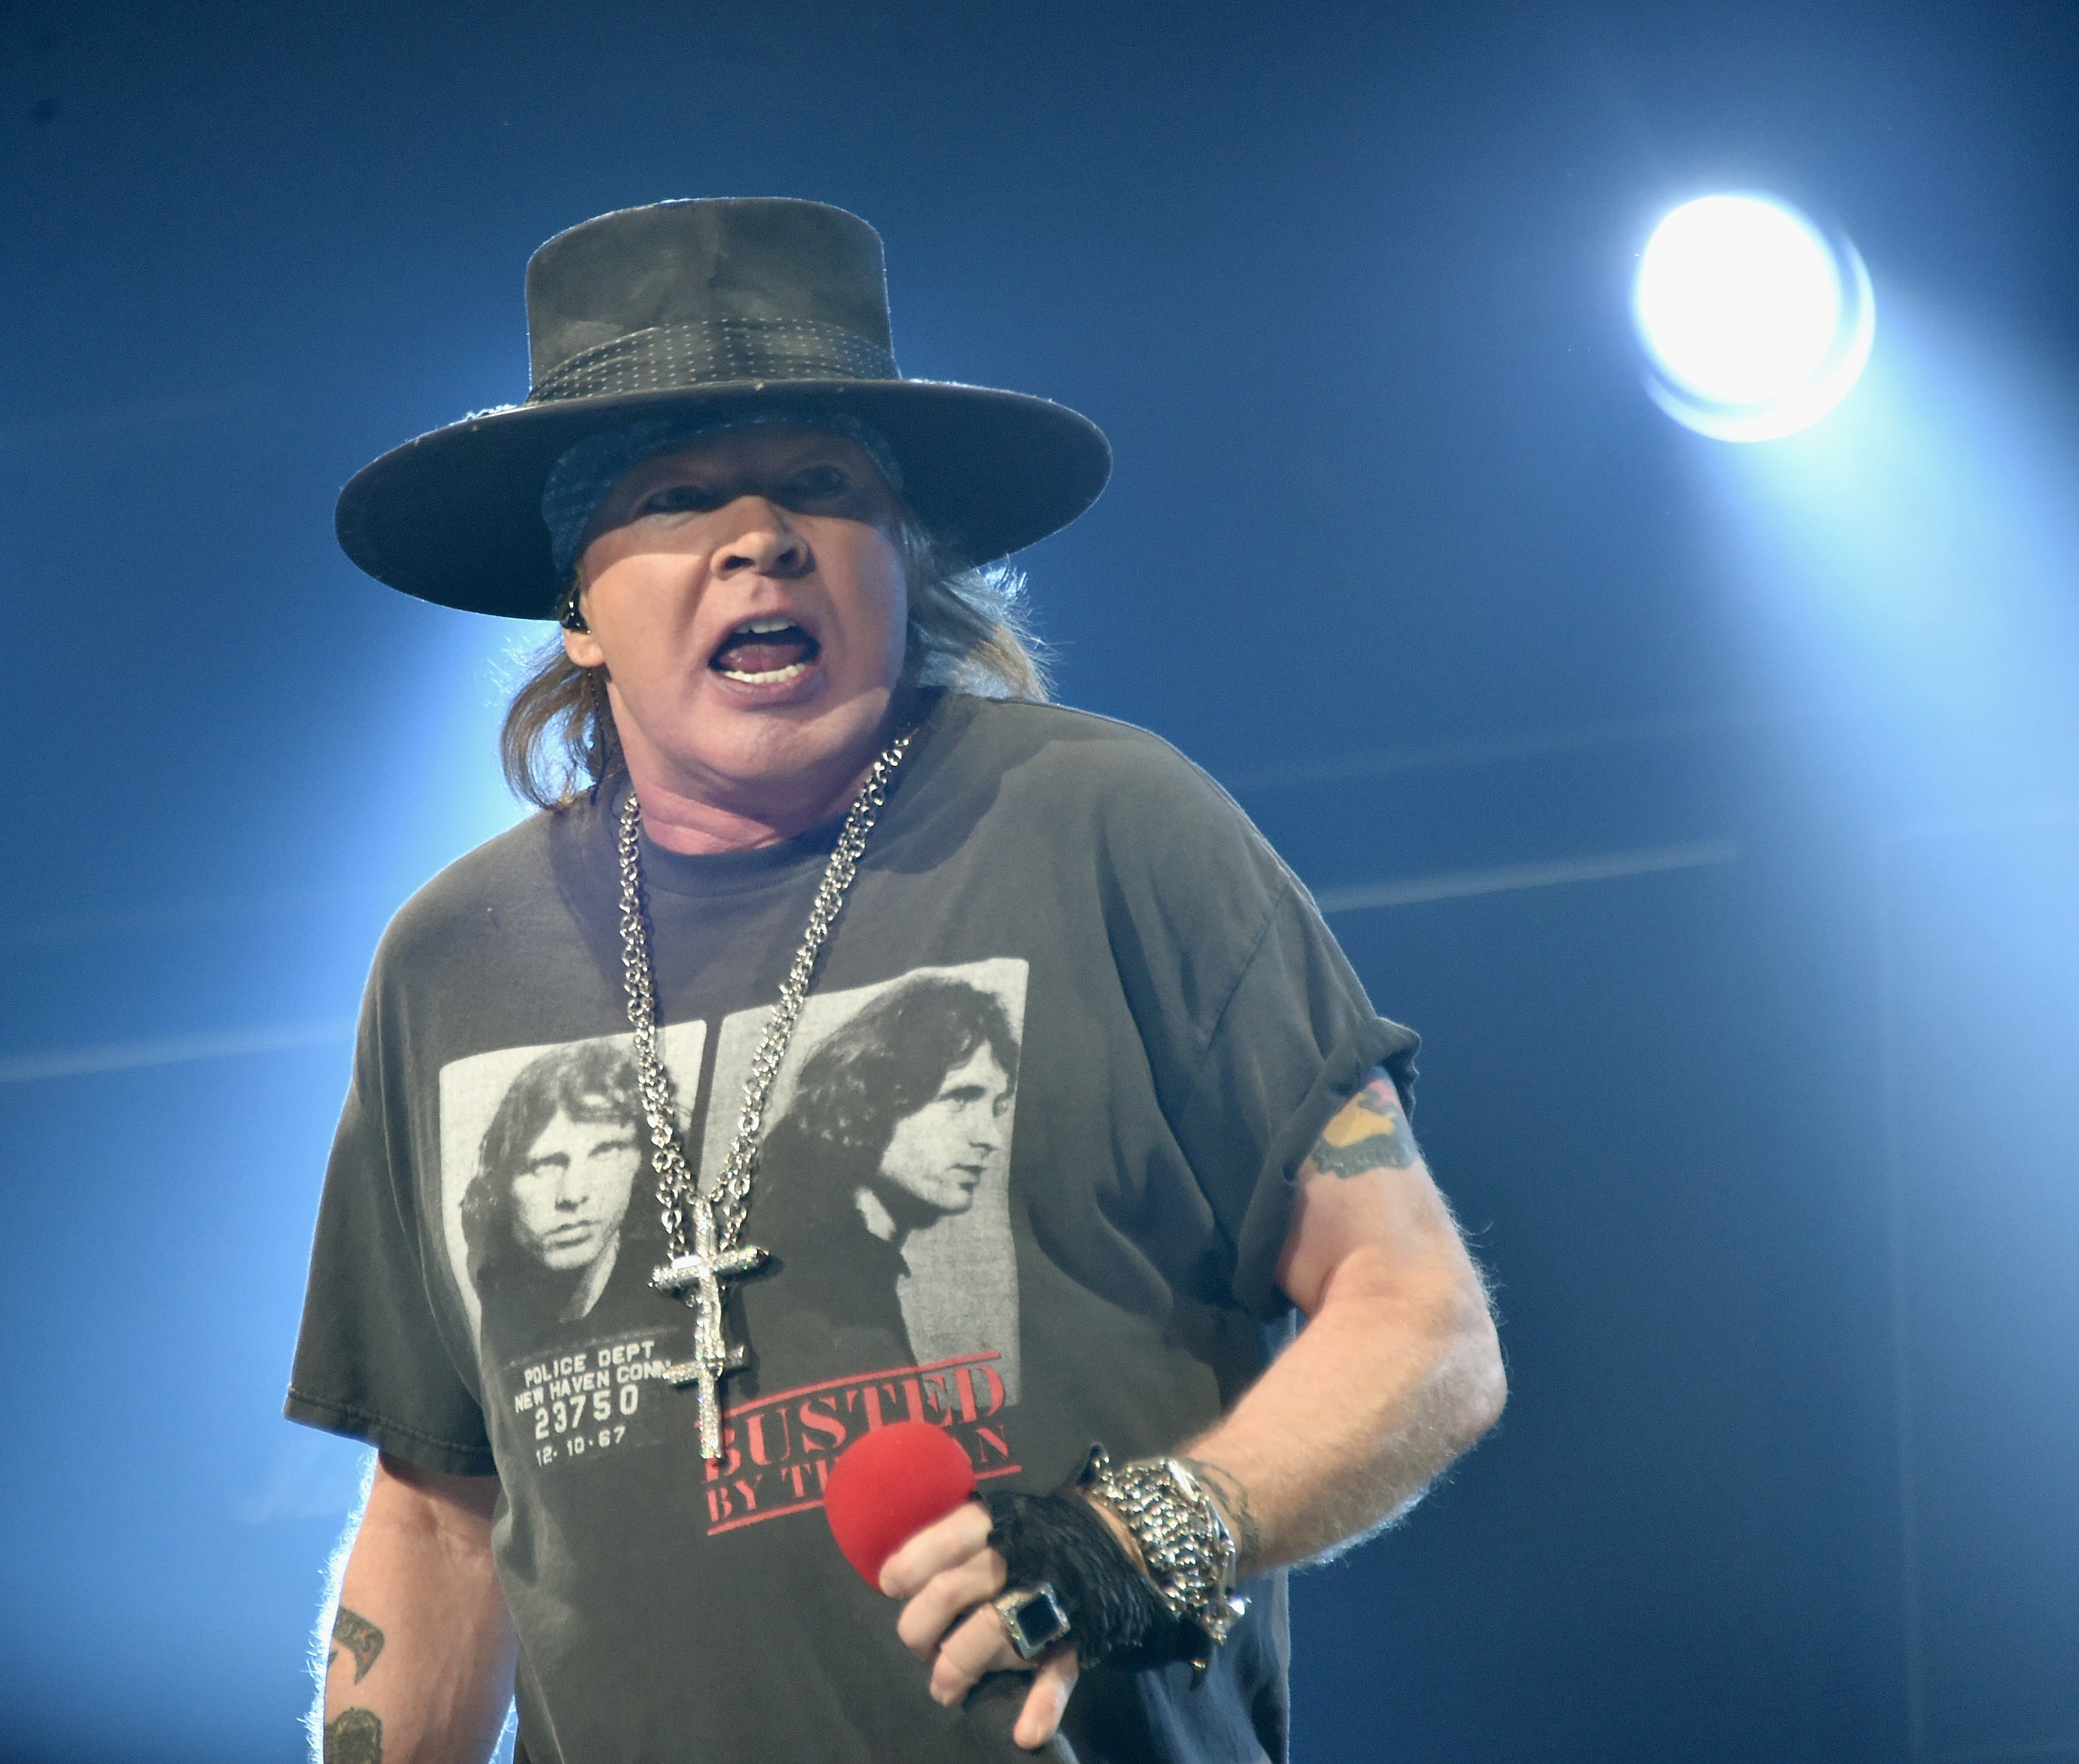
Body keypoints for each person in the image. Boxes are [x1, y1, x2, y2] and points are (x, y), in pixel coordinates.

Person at [289, 198, 1506, 1764]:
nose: (759, 536)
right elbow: (442, 1518)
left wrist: (1154, 1527)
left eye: (819, 483)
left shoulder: (1104, 824)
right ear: (576, 604)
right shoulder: (451, 960)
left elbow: (1414, 1314)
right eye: (674, 496)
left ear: (903, 556)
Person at [741, 975, 1023, 1390]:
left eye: (996, 1107)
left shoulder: (858, 1258)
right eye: (961, 1099)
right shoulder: (812, 1289)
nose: (990, 1137)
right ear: (877, 1096)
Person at [458, 1039, 658, 1336]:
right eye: (543, 1166)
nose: (573, 1195)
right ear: (499, 1188)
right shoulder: (490, 1306)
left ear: (641, 1164)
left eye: (606, 1153)